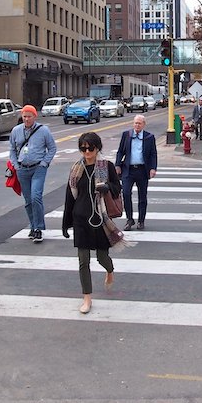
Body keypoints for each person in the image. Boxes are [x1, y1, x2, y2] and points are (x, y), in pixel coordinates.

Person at [62, 132, 121, 314]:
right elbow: (69, 197)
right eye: (83, 148)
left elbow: (118, 189)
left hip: (100, 219)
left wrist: (107, 187)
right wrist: (66, 223)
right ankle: (87, 298)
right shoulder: (76, 169)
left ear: (97, 148)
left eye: (90, 148)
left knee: (102, 258)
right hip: (80, 219)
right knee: (83, 261)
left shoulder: (106, 166)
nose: (86, 151)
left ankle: (109, 270)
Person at [8, 104, 57, 243]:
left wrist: (44, 163)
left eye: (29, 116)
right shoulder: (16, 131)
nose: (26, 119)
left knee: (36, 196)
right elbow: (12, 149)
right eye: (24, 116)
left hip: (38, 168)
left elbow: (52, 148)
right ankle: (33, 225)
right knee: (28, 200)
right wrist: (15, 165)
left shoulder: (43, 130)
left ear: (35, 116)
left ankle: (38, 228)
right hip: (22, 169)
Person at [115, 114, 158, 231]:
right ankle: (129, 219)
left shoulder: (149, 137)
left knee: (142, 196)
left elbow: (153, 154)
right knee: (126, 193)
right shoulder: (126, 135)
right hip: (128, 170)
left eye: (139, 123)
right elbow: (120, 151)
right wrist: (118, 165)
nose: (137, 125)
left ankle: (141, 220)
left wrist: (153, 168)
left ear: (144, 124)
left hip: (142, 170)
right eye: (135, 123)